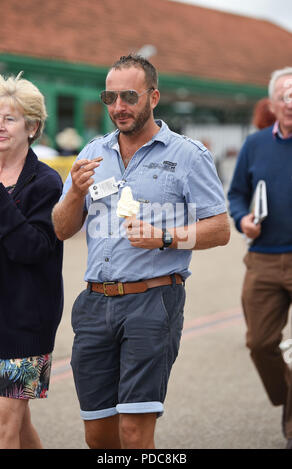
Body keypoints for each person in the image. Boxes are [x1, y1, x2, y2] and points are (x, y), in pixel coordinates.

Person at [52, 54, 230, 449]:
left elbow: (220, 230)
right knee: (98, 434)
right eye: (110, 97)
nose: (118, 107)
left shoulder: (188, 155)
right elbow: (62, 230)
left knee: (134, 432)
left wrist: (164, 238)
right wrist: (77, 192)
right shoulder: (90, 155)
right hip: (95, 303)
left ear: (154, 97)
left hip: (153, 301)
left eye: (129, 96)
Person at [0, 73, 64, 449]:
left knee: (1, 418)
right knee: (17, 426)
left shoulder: (46, 183)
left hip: (25, 320)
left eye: (9, 118)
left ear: (32, 127)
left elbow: (33, 249)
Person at [228, 66, 292, 450]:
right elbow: (236, 194)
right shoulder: (255, 145)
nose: (291, 102)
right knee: (259, 343)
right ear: (272, 104)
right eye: (285, 95)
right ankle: (288, 396)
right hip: (264, 257)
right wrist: (243, 218)